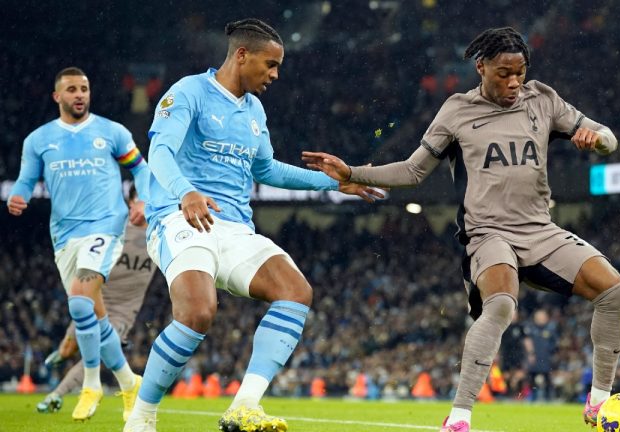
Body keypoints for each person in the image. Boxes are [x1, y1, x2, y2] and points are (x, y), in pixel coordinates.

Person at [303, 26, 620, 431]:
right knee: (502, 304)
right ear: (481, 67)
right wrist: (352, 171)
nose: (513, 82)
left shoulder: (543, 100)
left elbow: (610, 139)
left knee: (615, 290)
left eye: (520, 72)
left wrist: (595, 140)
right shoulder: (457, 111)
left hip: (540, 229)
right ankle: (458, 418)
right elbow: (413, 170)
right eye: (503, 73)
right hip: (488, 233)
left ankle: (599, 405)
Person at [123, 18, 382, 432]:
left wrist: (335, 181)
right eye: (271, 64)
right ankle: (141, 418)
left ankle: (243, 407)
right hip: (180, 217)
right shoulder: (189, 92)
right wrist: (186, 192)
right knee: (197, 313)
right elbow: (161, 150)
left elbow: (267, 170)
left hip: (234, 227)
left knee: (296, 291)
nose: (275, 75)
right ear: (242, 55)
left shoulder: (254, 110)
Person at [7, 67, 148, 422]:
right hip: (64, 236)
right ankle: (130, 384)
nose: (80, 94)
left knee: (81, 299)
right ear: (58, 96)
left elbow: (141, 169)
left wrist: (143, 200)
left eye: (84, 88)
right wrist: (18, 197)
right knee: (91, 315)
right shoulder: (39, 140)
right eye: (71, 89)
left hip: (105, 225)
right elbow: (25, 180)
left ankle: (91, 384)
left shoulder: (112, 132)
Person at [37, 186, 158, 415]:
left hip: (124, 309)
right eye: (141, 199)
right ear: (131, 202)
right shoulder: (114, 226)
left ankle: (56, 395)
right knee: (69, 347)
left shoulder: (158, 231)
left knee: (96, 353)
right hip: (97, 297)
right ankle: (62, 354)